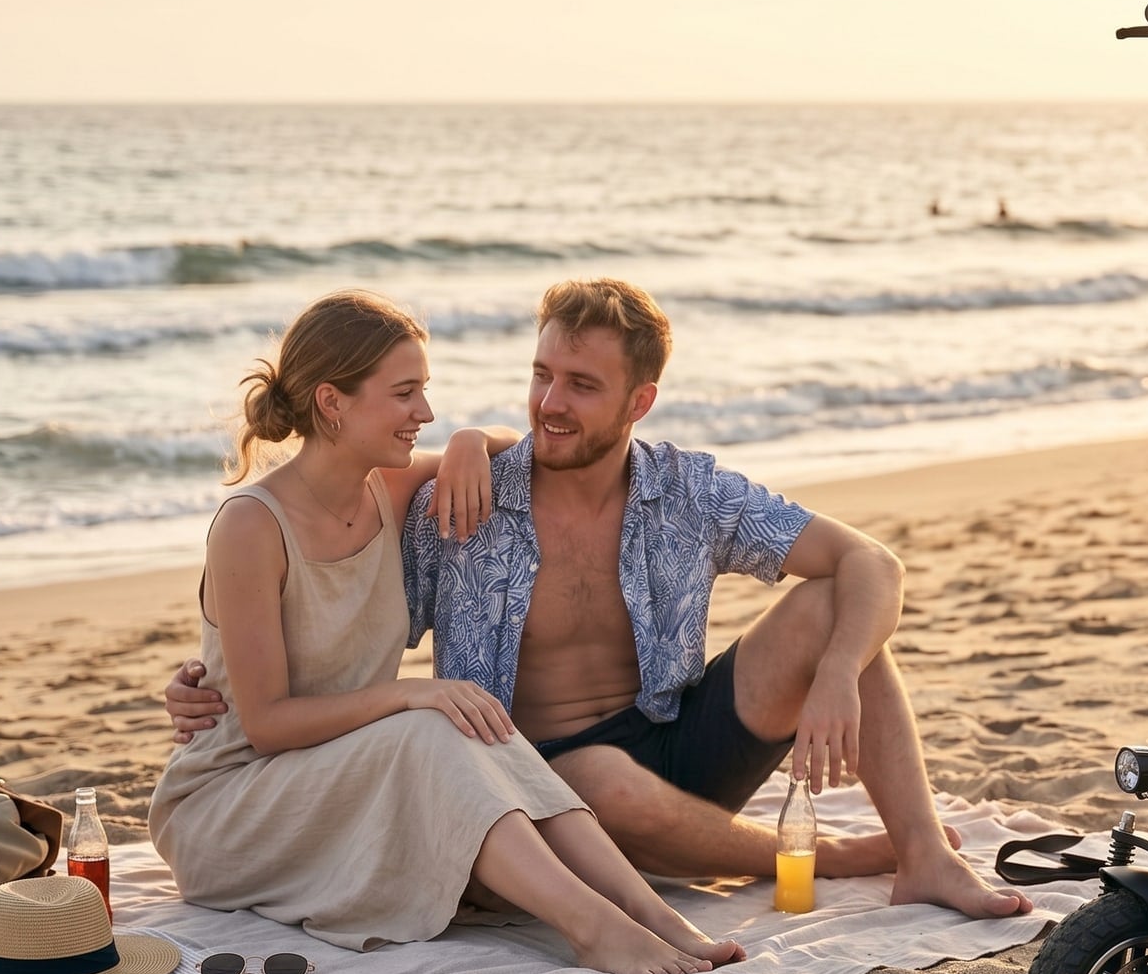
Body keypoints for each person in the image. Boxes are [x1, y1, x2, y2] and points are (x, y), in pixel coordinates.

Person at [170, 279, 1033, 921]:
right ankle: (828, 857)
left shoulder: (688, 491)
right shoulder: (458, 506)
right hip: (538, 783)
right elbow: (325, 600)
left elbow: (870, 561)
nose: (550, 403)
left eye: (581, 385)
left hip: (680, 747)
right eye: (542, 375)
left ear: (639, 400)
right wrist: (206, 680)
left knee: (832, 609)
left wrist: (841, 670)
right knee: (600, 780)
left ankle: (923, 857)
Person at [150, 289, 742, 974]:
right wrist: (410, 697)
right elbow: (270, 724)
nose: (424, 414)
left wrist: (467, 444)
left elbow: (507, 449)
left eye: (424, 392)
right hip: (235, 808)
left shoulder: (391, 491)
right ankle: (595, 930)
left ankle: (658, 919)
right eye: (404, 394)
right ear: (333, 403)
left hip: (344, 774)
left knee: (478, 724)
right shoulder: (251, 526)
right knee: (438, 714)